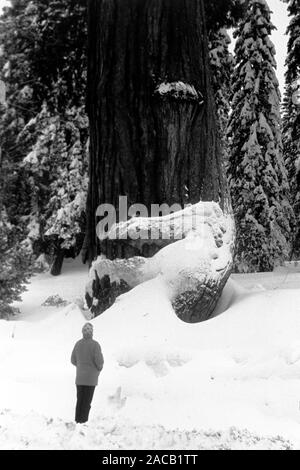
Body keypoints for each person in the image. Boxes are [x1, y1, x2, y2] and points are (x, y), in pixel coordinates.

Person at [71, 322, 104, 424]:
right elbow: (99, 362)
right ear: (92, 332)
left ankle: (77, 421)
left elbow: (73, 360)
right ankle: (83, 423)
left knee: (80, 401)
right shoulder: (95, 345)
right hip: (91, 379)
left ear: (82, 332)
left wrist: (81, 367)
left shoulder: (78, 344)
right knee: (86, 402)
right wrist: (98, 369)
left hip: (80, 378)